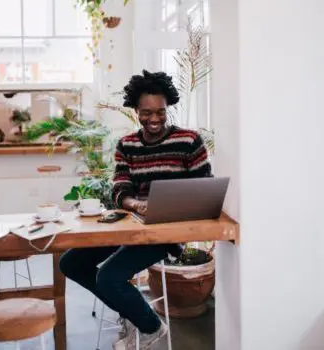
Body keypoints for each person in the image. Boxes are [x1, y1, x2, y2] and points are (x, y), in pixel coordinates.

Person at [59, 70, 212, 350]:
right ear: (136, 110)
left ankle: (151, 326)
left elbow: (205, 187)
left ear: (168, 109)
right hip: (130, 224)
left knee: (108, 277)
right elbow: (120, 188)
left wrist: (175, 208)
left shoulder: (189, 141)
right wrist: (135, 203)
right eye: (146, 112)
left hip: (165, 234)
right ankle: (131, 312)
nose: (154, 119)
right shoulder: (127, 145)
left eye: (161, 112)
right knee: (70, 263)